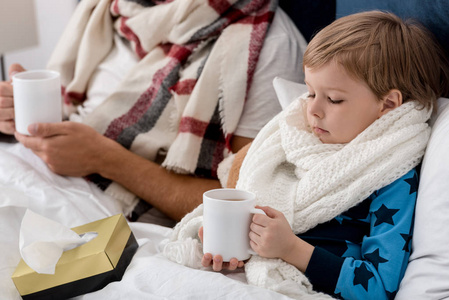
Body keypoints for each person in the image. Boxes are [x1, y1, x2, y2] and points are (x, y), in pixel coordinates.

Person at [164, 11, 449, 299]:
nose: (312, 109)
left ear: (387, 104)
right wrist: (239, 248)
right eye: (310, 93)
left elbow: (377, 287)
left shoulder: (392, 175)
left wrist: (290, 249)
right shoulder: (294, 145)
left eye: (334, 99)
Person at [0, 0, 307, 224]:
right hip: (33, 174)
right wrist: (25, 111)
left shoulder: (270, 45)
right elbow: (77, 113)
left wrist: (105, 160)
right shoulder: (110, 9)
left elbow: (246, 203)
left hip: (103, 209)